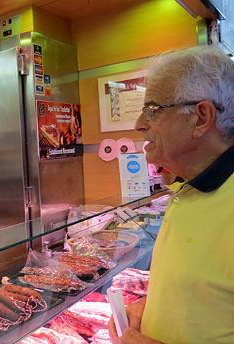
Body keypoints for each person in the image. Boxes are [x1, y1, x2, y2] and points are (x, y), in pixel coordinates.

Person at [109, 45, 234, 343]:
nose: (139, 124)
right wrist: (150, 307)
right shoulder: (187, 186)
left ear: (201, 117)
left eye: (152, 110)